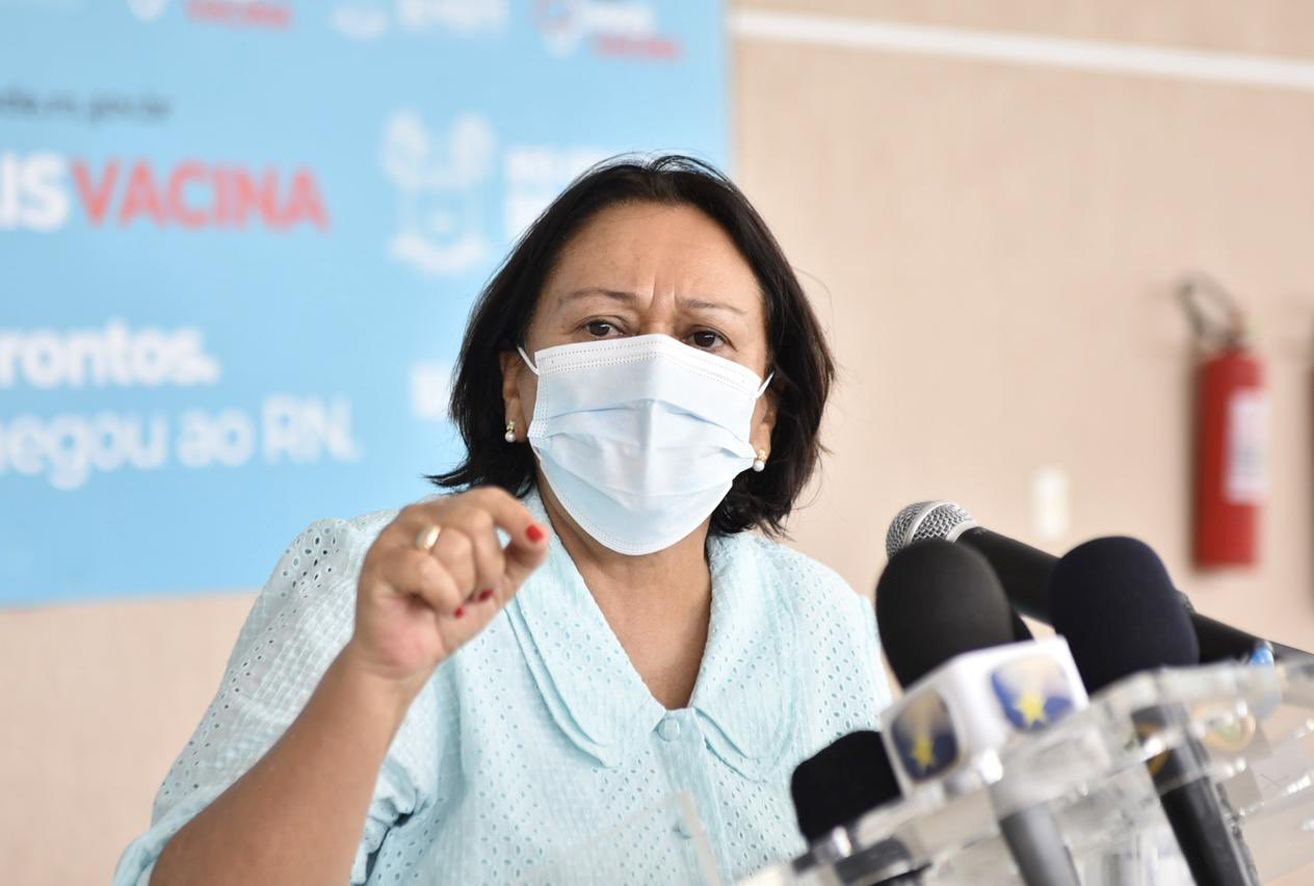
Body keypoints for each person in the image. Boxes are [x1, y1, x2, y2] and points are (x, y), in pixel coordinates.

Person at [115, 155, 892, 886]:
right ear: (517, 385)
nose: (655, 370)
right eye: (602, 327)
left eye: (704, 338)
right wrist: (374, 682)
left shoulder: (823, 622)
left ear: (764, 416)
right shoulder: (383, 583)